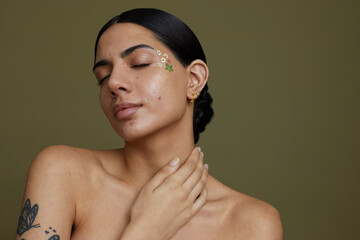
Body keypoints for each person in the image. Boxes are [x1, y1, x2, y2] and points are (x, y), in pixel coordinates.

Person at [16, 8, 282, 240]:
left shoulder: (251, 222)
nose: (113, 83)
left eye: (140, 63)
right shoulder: (63, 173)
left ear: (194, 79)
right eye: (103, 76)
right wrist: (146, 230)